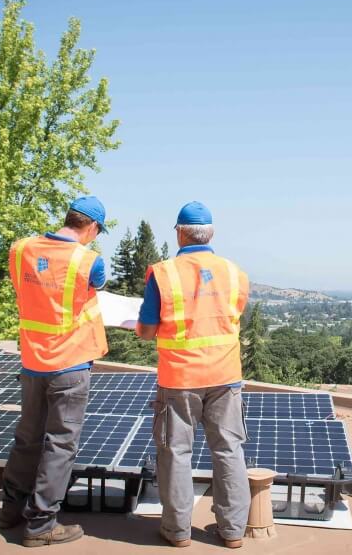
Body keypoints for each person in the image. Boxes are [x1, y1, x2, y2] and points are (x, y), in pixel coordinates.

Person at [136, 201, 250, 549]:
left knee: (175, 453)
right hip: (225, 375)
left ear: (179, 233)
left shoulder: (164, 273)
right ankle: (232, 532)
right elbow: (232, 317)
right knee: (229, 450)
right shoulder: (234, 272)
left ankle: (177, 531)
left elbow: (146, 330)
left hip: (180, 378)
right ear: (210, 233)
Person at [0, 196, 110, 547]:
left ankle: (10, 510)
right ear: (91, 227)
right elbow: (99, 283)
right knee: (60, 444)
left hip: (32, 362)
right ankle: (41, 524)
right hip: (70, 364)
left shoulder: (20, 250)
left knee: (27, 438)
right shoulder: (89, 261)